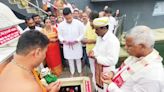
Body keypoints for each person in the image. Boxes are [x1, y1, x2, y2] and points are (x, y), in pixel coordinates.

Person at [101, 26, 164, 92]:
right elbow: (126, 69)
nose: (125, 48)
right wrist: (113, 73)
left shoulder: (153, 76)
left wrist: (111, 85)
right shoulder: (137, 56)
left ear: (142, 46)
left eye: (129, 46)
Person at [89, 17, 120, 92]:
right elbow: (96, 48)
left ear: (103, 28)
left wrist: (96, 58)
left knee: (105, 88)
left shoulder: (112, 41)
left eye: (97, 29)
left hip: (107, 70)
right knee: (98, 86)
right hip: (98, 67)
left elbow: (113, 61)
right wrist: (93, 51)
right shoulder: (100, 37)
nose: (95, 31)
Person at [58, 8, 84, 77]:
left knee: (78, 59)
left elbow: (82, 34)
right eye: (66, 18)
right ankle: (72, 72)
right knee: (70, 60)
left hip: (77, 45)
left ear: (71, 14)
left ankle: (80, 71)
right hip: (67, 46)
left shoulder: (78, 23)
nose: (68, 20)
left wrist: (77, 40)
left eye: (69, 18)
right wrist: (63, 40)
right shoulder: (61, 25)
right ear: (64, 16)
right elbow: (59, 35)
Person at [81, 11, 99, 90]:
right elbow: (85, 36)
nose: (90, 22)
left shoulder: (99, 26)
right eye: (90, 20)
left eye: (92, 20)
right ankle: (95, 86)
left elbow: (100, 40)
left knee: (98, 70)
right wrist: (84, 40)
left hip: (98, 53)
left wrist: (89, 41)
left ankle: (98, 86)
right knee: (93, 70)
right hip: (89, 51)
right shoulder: (88, 25)